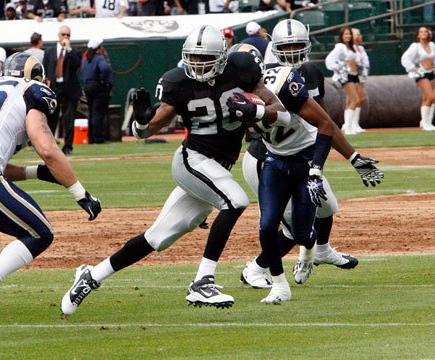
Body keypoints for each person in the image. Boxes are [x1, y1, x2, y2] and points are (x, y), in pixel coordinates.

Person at [60, 25, 289, 315]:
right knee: (236, 200)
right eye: (193, 58)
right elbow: (147, 130)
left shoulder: (242, 69)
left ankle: (91, 276)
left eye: (204, 59)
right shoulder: (178, 81)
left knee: (157, 238)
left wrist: (257, 111)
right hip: (192, 159)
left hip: (215, 169)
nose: (198, 65)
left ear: (222, 57)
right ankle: (202, 282)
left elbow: (281, 113)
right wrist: (142, 121)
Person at [0, 52, 101, 338]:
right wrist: (80, 193)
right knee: (40, 233)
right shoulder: (32, 90)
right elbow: (47, 147)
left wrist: (37, 173)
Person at [230, 20, 383, 303]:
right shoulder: (255, 82)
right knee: (285, 226)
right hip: (265, 159)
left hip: (303, 154)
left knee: (326, 209)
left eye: (297, 47)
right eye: (285, 48)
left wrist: (352, 156)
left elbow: (323, 124)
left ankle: (319, 250)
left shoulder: (309, 73)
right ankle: (257, 268)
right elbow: (230, 136)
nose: (291, 53)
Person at [42, 25, 82, 154]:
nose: (65, 37)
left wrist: (69, 49)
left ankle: (68, 146)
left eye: (68, 35)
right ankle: (50, 145)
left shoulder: (75, 52)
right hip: (54, 88)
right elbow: (46, 69)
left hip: (69, 88)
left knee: (69, 119)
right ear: (58, 35)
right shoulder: (49, 52)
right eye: (63, 34)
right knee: (51, 118)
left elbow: (77, 65)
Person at [401, 27, 435, 131]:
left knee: (433, 96)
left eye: (425, 31)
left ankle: (428, 122)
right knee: (430, 96)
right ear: (418, 35)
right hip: (421, 73)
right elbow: (405, 58)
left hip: (431, 73)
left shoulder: (432, 45)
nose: (423, 33)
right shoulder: (415, 46)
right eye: (421, 32)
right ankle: (424, 123)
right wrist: (414, 68)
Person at [325, 27, 362, 135]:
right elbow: (329, 60)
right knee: (355, 100)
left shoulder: (351, 47)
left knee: (350, 100)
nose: (348, 36)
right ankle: (349, 127)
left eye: (349, 34)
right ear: (341, 36)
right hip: (346, 75)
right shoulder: (340, 47)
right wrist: (341, 67)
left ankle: (348, 126)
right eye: (346, 34)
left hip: (354, 74)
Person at [82, 38, 113, 144]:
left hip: (87, 86)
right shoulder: (99, 59)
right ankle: (98, 137)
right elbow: (105, 69)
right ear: (99, 48)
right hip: (98, 87)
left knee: (91, 112)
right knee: (98, 113)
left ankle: (91, 137)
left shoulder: (86, 59)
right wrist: (105, 81)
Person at [351, 27, 369, 133]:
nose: (360, 37)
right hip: (353, 75)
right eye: (358, 35)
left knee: (360, 98)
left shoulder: (360, 48)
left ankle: (355, 123)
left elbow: (365, 61)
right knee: (355, 99)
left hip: (362, 75)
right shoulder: (349, 48)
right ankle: (351, 124)